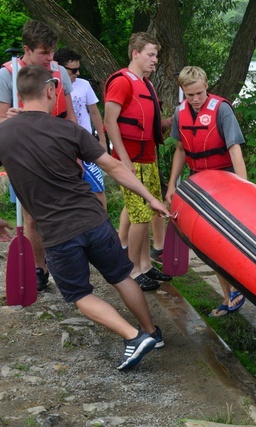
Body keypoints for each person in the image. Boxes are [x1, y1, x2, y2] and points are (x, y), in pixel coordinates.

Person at [0, 65, 170, 370]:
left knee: (79, 293)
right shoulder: (70, 130)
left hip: (58, 232)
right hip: (94, 221)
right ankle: (150, 332)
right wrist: (151, 198)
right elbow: (116, 168)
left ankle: (133, 337)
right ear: (51, 91)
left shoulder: (4, 134)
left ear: (20, 97)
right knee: (121, 275)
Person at [164, 66, 248, 317]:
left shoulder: (221, 110)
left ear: (206, 86)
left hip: (225, 180)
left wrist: (245, 188)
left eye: (200, 93)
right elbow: (180, 150)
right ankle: (229, 294)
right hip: (199, 182)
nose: (196, 99)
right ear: (183, 93)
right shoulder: (180, 114)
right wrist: (171, 186)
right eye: (190, 95)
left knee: (229, 239)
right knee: (210, 242)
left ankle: (240, 287)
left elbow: (235, 149)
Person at [1, 20, 77, 292]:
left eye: (52, 51)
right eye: (44, 52)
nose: (50, 58)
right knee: (32, 216)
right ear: (27, 50)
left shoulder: (58, 72)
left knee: (63, 211)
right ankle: (39, 269)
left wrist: (77, 151)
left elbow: (70, 116)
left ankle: (64, 262)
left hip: (56, 149)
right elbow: (0, 120)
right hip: (24, 153)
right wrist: (8, 118)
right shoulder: (8, 73)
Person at [104, 32, 172, 292]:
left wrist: (168, 123)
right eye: (151, 55)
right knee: (139, 215)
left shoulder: (148, 84)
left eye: (156, 55)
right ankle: (132, 270)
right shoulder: (122, 82)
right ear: (136, 53)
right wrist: (123, 159)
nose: (155, 60)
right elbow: (110, 122)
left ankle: (145, 266)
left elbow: (147, 123)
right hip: (130, 160)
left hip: (148, 157)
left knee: (150, 212)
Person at [54, 47, 108, 209]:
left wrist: (102, 140)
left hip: (86, 144)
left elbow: (94, 112)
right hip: (63, 147)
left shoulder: (83, 84)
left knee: (97, 188)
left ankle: (104, 224)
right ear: (61, 69)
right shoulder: (53, 87)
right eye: (74, 70)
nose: (78, 73)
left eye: (79, 69)